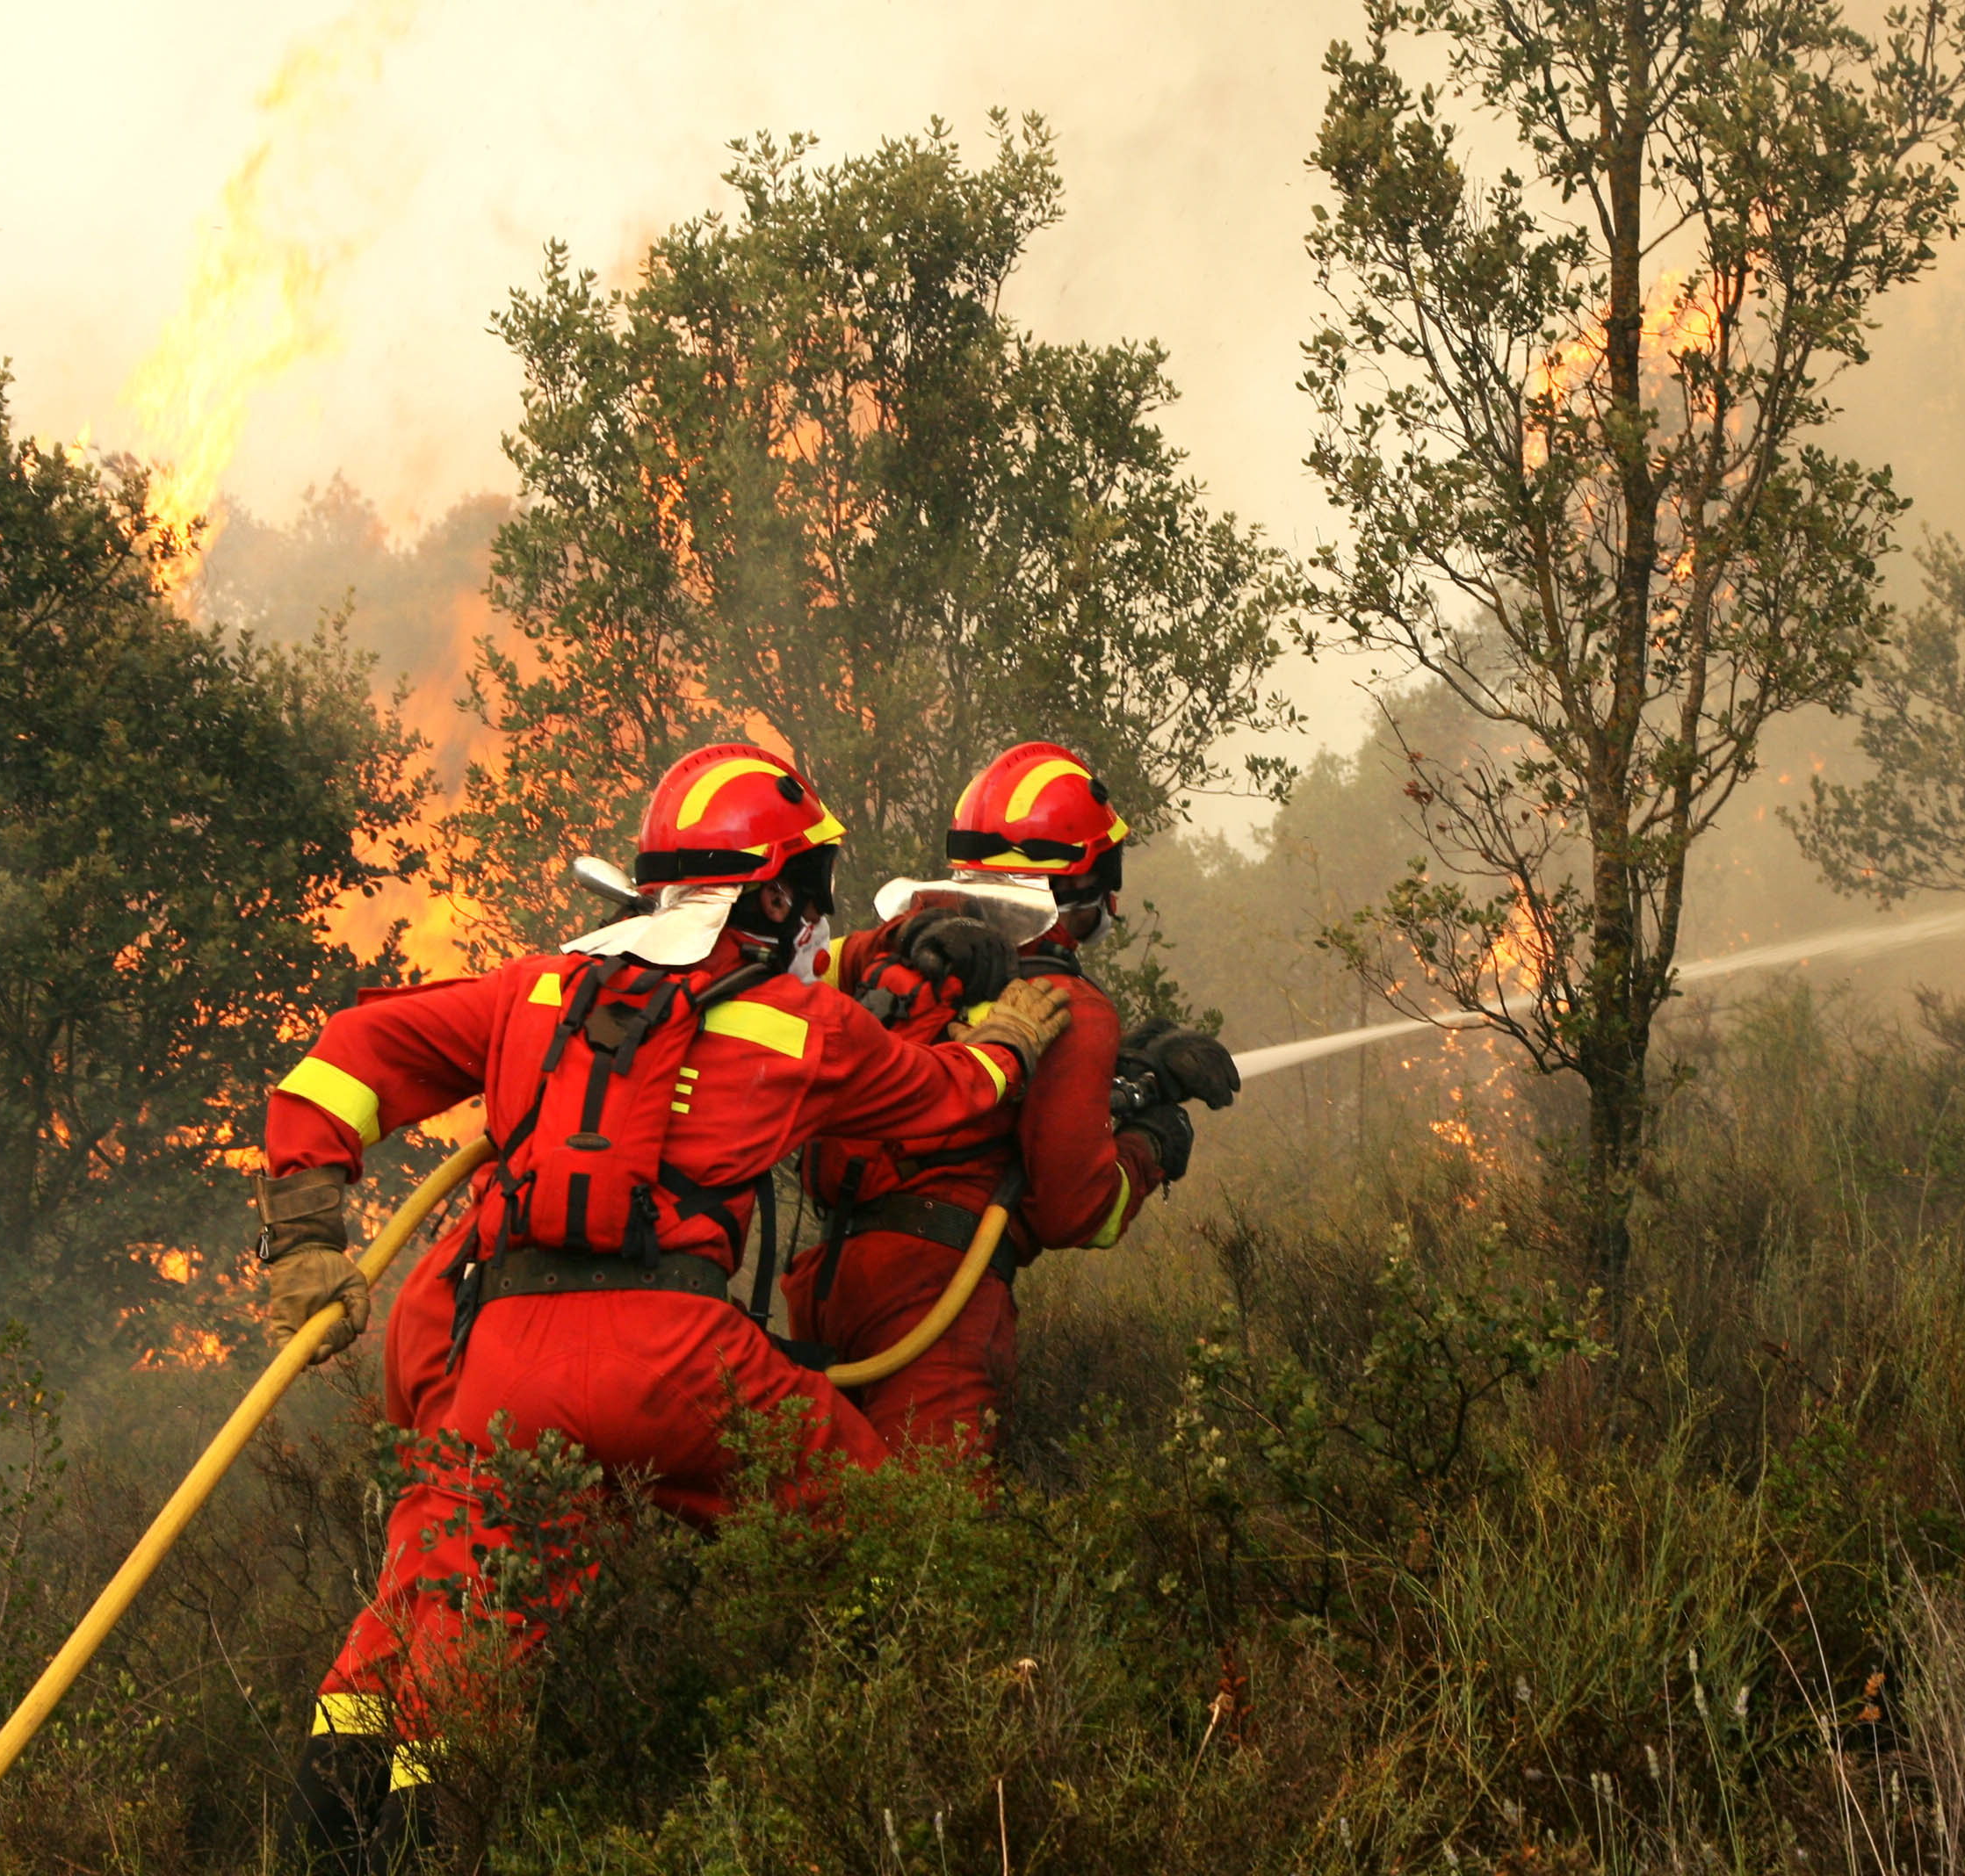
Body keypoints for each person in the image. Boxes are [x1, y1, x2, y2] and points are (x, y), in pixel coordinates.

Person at [257, 742, 1069, 1868]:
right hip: (681, 1358)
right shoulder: (801, 1023)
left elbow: (348, 1054)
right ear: (772, 896)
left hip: (502, 1361)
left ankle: (339, 1848)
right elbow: (942, 1099)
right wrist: (1009, 1040)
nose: (817, 915)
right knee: (889, 1530)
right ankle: (942, 1782)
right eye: (810, 888)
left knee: (446, 1614)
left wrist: (305, 1232)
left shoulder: (536, 989)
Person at [780, 741, 1239, 1462]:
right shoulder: (1070, 1005)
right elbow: (1077, 1211)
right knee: (932, 1519)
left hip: (826, 1283)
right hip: (938, 1303)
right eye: (1106, 877)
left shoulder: (903, 952)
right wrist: (1152, 1143)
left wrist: (1123, 1078)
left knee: (823, 1506)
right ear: (1079, 884)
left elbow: (790, 980)